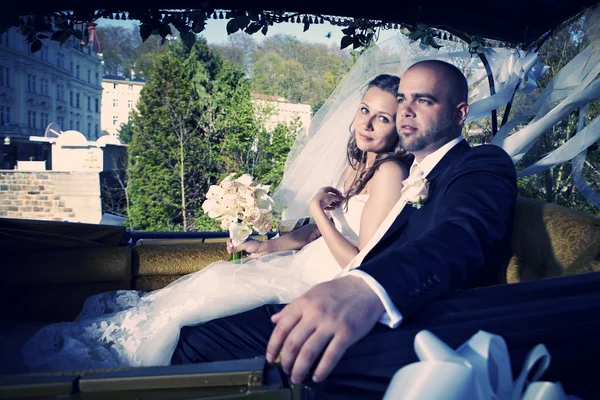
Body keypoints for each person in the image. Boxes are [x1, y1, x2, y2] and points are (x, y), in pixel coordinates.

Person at [169, 60, 519, 397]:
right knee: (192, 331)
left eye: (423, 100)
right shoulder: (408, 169)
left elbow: (462, 233)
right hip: (342, 296)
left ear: (460, 113)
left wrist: (368, 288)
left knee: (197, 342)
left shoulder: (481, 163)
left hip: (402, 319)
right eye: (402, 99)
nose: (405, 111)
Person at [20, 74, 413, 372]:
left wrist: (315, 212)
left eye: (383, 118)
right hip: (301, 264)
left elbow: (361, 259)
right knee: (198, 292)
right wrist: (269, 247)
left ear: (401, 126)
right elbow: (325, 230)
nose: (367, 124)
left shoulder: (388, 174)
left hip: (324, 286)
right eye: (364, 110)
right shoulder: (362, 162)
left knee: (194, 316)